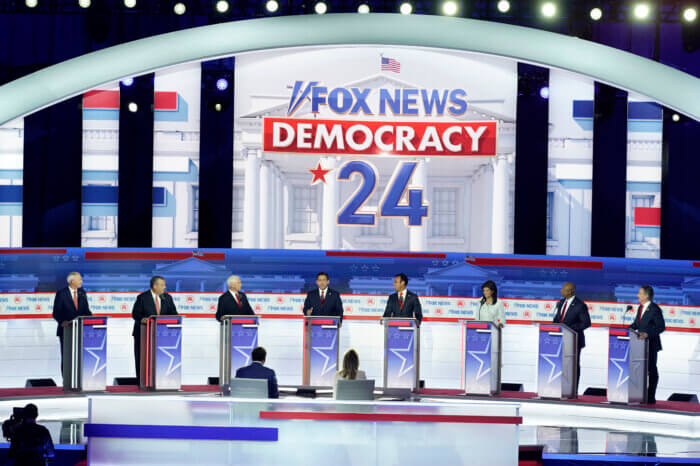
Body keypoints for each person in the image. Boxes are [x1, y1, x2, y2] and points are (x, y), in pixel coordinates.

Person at [131, 276, 178, 384]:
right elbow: (135, 314)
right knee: (142, 358)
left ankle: (161, 380)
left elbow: (174, 314)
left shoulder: (167, 298)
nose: (164, 287)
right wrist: (143, 319)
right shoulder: (142, 297)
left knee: (161, 358)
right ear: (154, 286)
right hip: (143, 334)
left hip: (163, 334)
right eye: (162, 285)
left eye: (164, 285)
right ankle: (142, 381)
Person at [629, 285, 666, 404]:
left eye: (639, 293)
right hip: (639, 345)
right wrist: (627, 329)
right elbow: (637, 324)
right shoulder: (640, 308)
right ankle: (640, 394)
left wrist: (647, 334)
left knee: (651, 370)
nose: (637, 295)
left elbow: (661, 327)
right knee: (640, 370)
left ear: (646, 296)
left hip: (651, 344)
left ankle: (651, 397)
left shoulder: (654, 309)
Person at [552, 282, 591, 394]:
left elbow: (586, 323)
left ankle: (573, 390)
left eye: (563, 289)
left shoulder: (580, 305)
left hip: (574, 340)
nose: (561, 291)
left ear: (570, 291)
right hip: (560, 340)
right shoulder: (561, 303)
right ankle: (560, 388)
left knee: (573, 365)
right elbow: (557, 319)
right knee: (560, 364)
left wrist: (569, 328)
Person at [52, 272, 92, 374]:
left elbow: (86, 311)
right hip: (66, 330)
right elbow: (56, 312)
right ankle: (66, 380)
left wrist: (91, 319)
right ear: (72, 281)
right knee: (67, 357)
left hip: (80, 331)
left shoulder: (82, 293)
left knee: (80, 357)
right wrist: (62, 322)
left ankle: (79, 379)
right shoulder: (61, 293)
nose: (81, 281)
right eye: (79, 279)